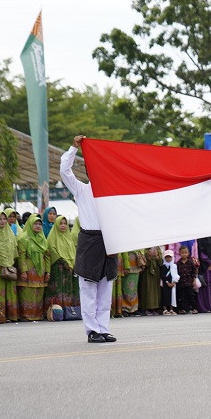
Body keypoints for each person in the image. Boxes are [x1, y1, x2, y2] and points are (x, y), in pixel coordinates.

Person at [61, 135, 118, 343]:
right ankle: (92, 330)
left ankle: (103, 328)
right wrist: (73, 148)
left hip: (109, 242)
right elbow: (64, 172)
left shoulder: (113, 192)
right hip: (90, 241)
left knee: (105, 289)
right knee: (88, 290)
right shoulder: (82, 190)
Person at [17, 214, 50, 321]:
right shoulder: (23, 238)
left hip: (40, 271)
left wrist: (48, 272)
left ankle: (37, 315)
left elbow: (47, 256)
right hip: (29, 271)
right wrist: (23, 271)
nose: (38, 226)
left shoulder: (43, 238)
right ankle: (26, 315)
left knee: (39, 293)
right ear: (30, 225)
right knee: (27, 293)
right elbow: (21, 256)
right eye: (35, 224)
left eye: (40, 224)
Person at [44, 215, 80, 313]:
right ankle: (56, 311)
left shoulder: (69, 238)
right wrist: (63, 262)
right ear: (56, 225)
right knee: (57, 290)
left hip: (69, 269)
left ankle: (68, 311)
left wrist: (72, 264)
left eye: (65, 223)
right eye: (61, 223)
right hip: (58, 267)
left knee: (68, 290)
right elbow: (52, 250)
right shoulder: (52, 236)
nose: (63, 226)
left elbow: (73, 252)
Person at [120, 249, 145, 316]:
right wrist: (125, 266)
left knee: (134, 289)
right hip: (127, 265)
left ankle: (134, 308)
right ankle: (125, 308)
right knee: (126, 288)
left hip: (136, 265)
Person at [138, 247, 162, 315]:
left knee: (155, 290)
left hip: (156, 273)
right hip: (147, 273)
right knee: (147, 289)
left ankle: (155, 308)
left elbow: (161, 262)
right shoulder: (145, 248)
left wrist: (157, 256)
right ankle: (147, 308)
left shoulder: (157, 248)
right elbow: (144, 263)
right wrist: (148, 256)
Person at [176, 245, 198, 314]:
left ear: (188, 253)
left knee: (191, 295)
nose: (184, 254)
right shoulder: (178, 263)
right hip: (181, 283)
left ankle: (194, 308)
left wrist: (194, 280)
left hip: (189, 282)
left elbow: (194, 272)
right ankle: (182, 309)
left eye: (185, 252)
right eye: (182, 253)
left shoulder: (191, 262)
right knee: (181, 296)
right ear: (179, 254)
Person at [160, 249, 179, 315]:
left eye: (170, 257)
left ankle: (171, 309)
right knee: (165, 296)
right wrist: (167, 283)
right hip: (165, 284)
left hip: (173, 283)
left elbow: (176, 275)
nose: (168, 258)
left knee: (172, 296)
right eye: (166, 257)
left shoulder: (174, 266)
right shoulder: (163, 266)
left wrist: (173, 282)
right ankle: (165, 309)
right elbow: (162, 275)